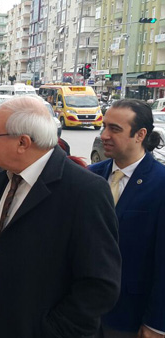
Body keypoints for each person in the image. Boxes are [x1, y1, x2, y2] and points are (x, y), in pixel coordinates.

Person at [0, 96, 122, 337]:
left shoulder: (85, 191)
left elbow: (99, 285)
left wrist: (50, 330)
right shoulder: (0, 175)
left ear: (23, 143)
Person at [88, 99, 165, 338]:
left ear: (140, 134)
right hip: (84, 312)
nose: (104, 135)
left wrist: (157, 323)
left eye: (115, 129)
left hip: (129, 318)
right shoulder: (91, 177)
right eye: (104, 126)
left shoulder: (160, 183)